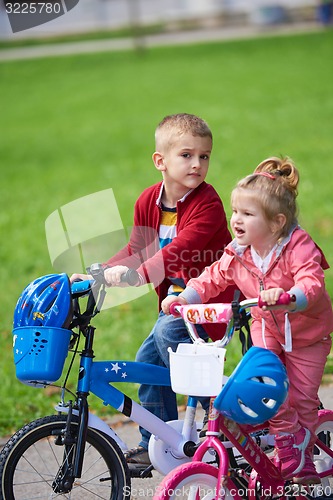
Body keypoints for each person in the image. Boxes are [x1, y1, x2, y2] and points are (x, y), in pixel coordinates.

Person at [71, 113, 235, 466]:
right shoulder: (149, 201)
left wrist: (136, 276)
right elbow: (137, 248)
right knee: (148, 360)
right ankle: (158, 441)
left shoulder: (207, 203)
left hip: (212, 300)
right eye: (187, 155)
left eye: (204, 156)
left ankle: (221, 417)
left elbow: (179, 249)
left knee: (167, 335)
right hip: (176, 304)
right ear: (160, 161)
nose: (197, 164)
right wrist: (98, 273)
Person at [162, 156, 333, 485]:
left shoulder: (297, 245)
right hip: (266, 327)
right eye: (236, 211)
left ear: (275, 222)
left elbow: (312, 282)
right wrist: (185, 298)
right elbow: (212, 278)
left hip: (308, 335)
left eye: (247, 214)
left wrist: (291, 296)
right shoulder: (239, 250)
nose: (236, 220)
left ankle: (301, 451)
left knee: (300, 398)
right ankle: (286, 449)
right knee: (270, 389)